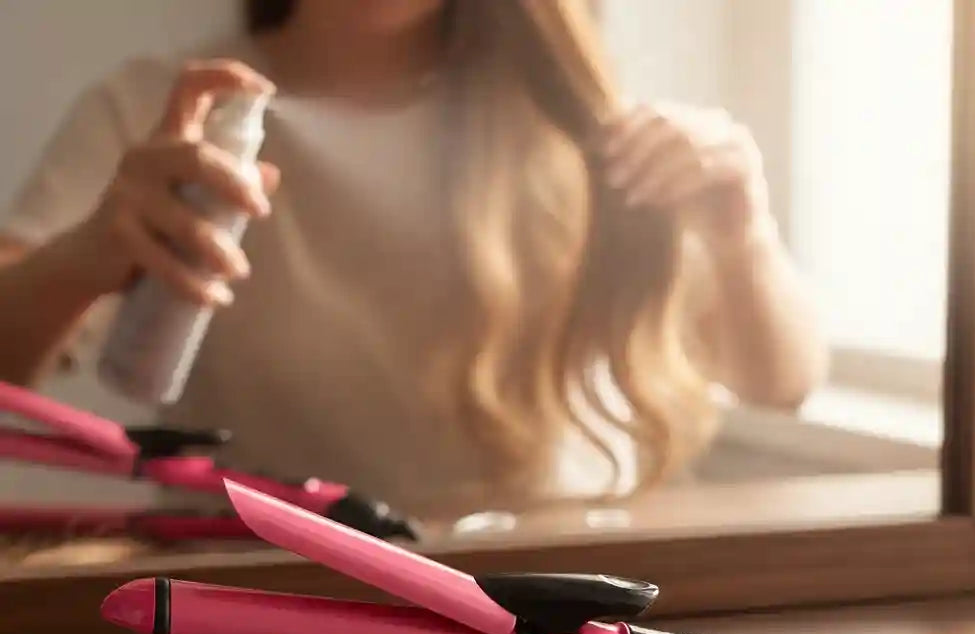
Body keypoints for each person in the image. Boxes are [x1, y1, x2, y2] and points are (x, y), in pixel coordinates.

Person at [0, 0, 826, 519]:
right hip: (273, 615)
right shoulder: (159, 109)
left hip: (558, 607)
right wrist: (84, 255)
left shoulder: (570, 113)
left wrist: (741, 232)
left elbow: (780, 379)